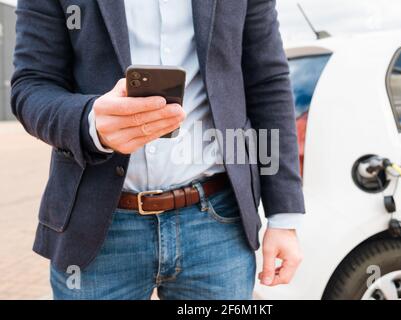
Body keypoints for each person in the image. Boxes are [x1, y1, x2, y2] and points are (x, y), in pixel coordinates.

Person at [11, 0, 305, 300]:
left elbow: (267, 81)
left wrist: (283, 214)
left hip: (217, 224)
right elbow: (31, 85)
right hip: (96, 227)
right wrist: (90, 121)